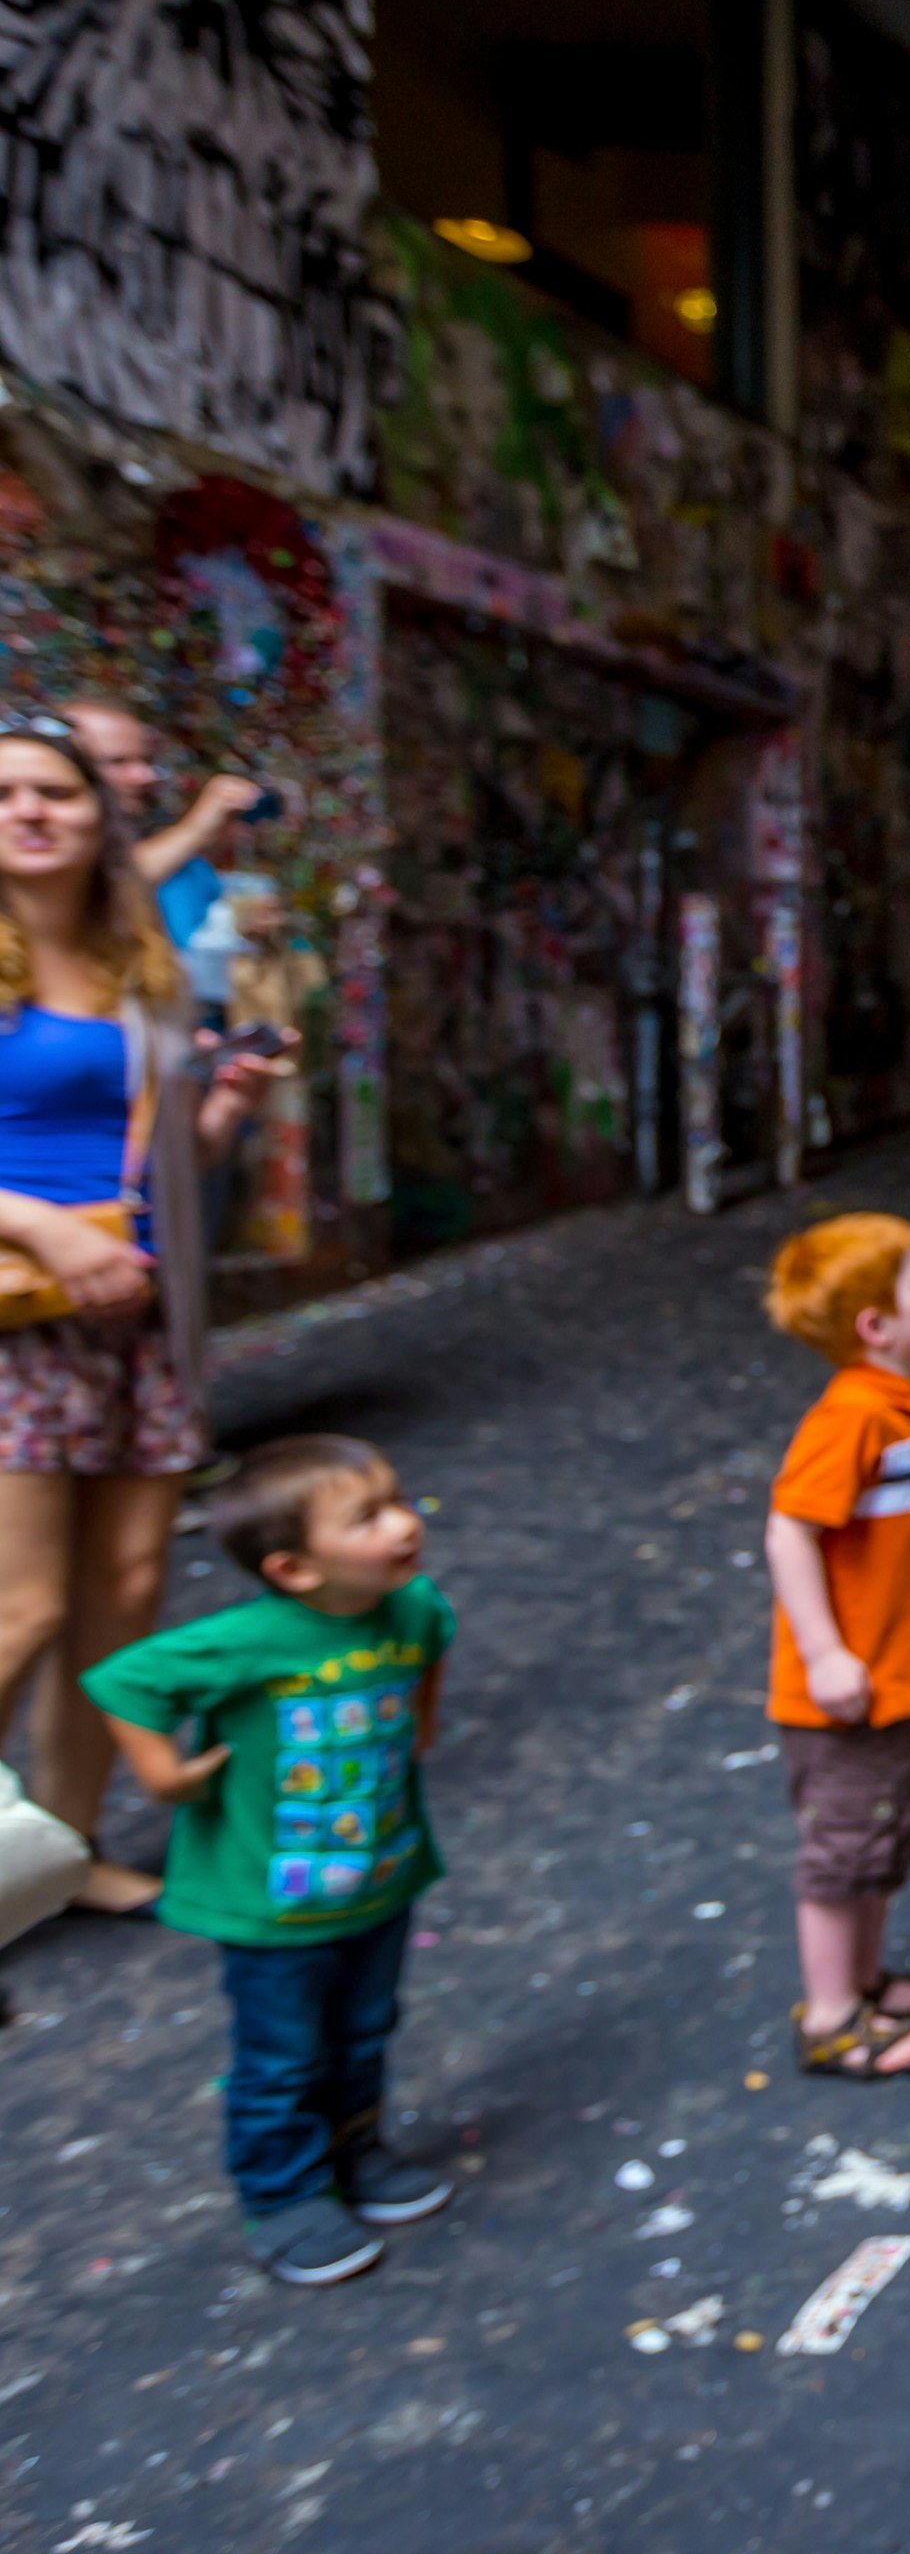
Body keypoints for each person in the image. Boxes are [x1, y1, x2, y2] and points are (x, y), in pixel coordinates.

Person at [0, 721, 278, 1917]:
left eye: (53, 792)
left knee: (122, 1594)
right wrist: (46, 1227)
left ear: (96, 816)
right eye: (3, 793)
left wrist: (221, 1114)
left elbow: (170, 1153)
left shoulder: (143, 964)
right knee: (26, 1604)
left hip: (138, 1311)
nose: (28, 811)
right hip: (17, 1316)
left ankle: (57, 1856)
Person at [84, 1434, 459, 2285]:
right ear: (292, 1569)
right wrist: (162, 1774)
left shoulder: (413, 1606)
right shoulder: (248, 1639)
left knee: (365, 2030)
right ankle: (283, 2194)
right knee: (282, 2054)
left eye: (398, 1499)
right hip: (271, 1906)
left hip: (381, 1879)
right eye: (369, 1517)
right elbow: (121, 1681)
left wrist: (423, 1722)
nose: (405, 1524)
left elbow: (434, 1643)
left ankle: (356, 2152)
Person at [760, 1212, 910, 2082]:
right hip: (851, 1687)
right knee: (847, 1843)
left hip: (898, 1674)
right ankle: (829, 2018)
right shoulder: (853, 1419)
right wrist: (826, 1654)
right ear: (876, 1326)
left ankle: (862, 1984)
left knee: (887, 1832)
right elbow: (790, 1531)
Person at [63, 698, 263, 1027]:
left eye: (146, 760)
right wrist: (199, 824)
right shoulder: (36, 859)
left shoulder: (186, 868)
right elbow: (102, 885)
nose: (143, 776)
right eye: (117, 762)